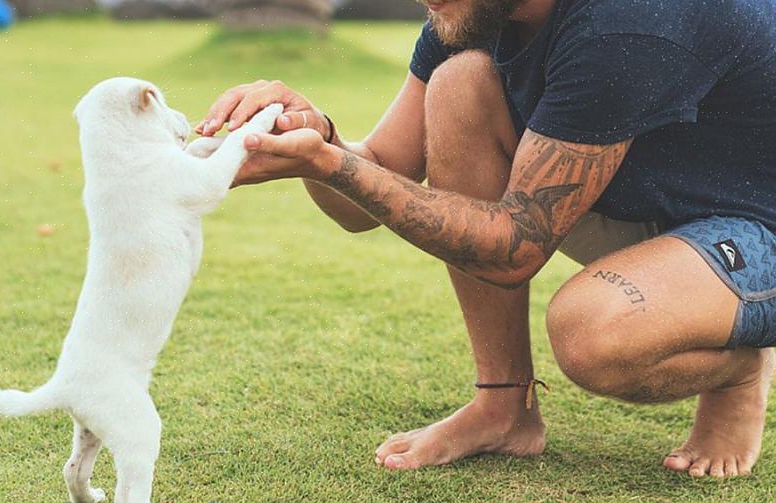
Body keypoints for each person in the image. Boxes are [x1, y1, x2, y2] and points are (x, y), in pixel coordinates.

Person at [196, 0, 776, 477]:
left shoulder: (630, 19)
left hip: (760, 225)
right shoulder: (467, 13)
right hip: (662, 204)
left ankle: (741, 370)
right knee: (460, 84)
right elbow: (375, 179)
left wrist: (331, 166)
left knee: (593, 332)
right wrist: (315, 135)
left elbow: (513, 250)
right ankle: (504, 405)